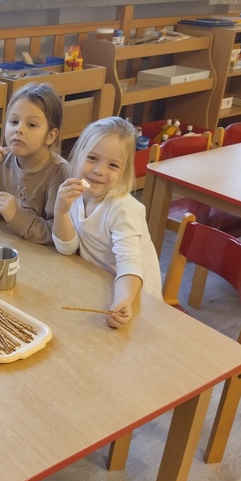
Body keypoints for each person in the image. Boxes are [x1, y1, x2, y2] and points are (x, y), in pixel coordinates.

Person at [52, 116, 163, 328]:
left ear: (124, 172)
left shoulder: (124, 208)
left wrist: (124, 299)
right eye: (92, 158)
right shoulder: (75, 193)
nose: (99, 171)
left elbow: (130, 263)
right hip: (99, 284)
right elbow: (67, 248)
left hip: (134, 296)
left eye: (113, 165)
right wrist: (61, 211)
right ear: (77, 156)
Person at [0, 82, 68, 244]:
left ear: (50, 136)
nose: (19, 129)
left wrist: (16, 215)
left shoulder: (59, 173)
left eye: (31, 124)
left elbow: (57, 235)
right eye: (14, 122)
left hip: (37, 254)